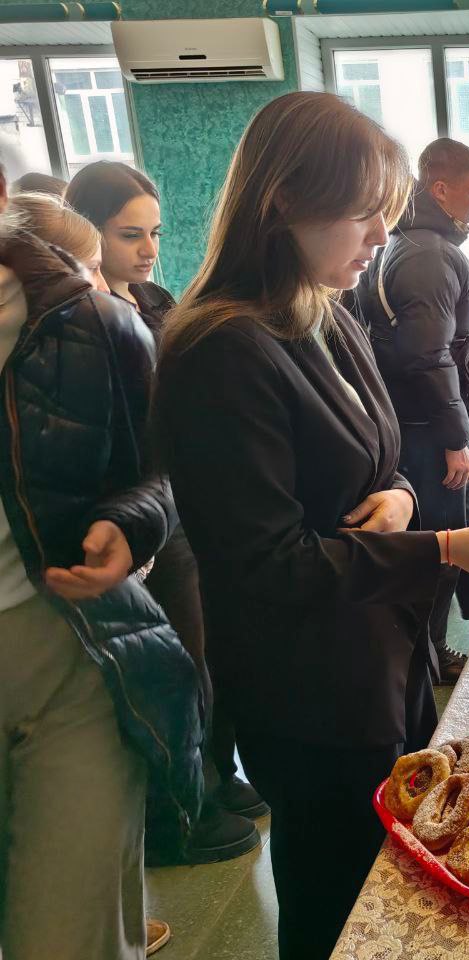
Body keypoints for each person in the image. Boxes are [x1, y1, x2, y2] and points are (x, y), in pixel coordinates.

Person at [153, 93, 469, 960]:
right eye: (365, 213)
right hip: (309, 690)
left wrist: (400, 499)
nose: (380, 236)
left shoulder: (325, 312)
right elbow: (267, 565)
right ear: (285, 199)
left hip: (380, 660)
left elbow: (378, 461)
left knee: (397, 888)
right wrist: (440, 546)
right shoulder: (220, 350)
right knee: (336, 907)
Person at [0, 166, 203, 960]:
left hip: (72, 654)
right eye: (132, 233)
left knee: (70, 933)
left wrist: (131, 521)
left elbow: (166, 469)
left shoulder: (90, 323)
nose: (148, 250)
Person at [66, 160, 265, 863]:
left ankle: (212, 775)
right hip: (134, 514)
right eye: (130, 235)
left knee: (209, 652)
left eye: (154, 232)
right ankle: (178, 814)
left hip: (182, 500)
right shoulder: (80, 320)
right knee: (169, 666)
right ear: (88, 233)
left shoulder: (155, 299)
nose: (148, 249)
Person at [350, 137, 469, 685]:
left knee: (465, 528)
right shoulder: (428, 255)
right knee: (440, 547)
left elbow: (463, 339)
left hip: (428, 421)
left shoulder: (414, 246)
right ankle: (432, 658)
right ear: (440, 189)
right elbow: (427, 354)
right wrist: (455, 437)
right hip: (426, 430)